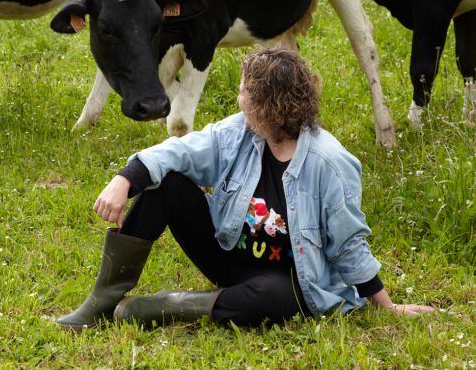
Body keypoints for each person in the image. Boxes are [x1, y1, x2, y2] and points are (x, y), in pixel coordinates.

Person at [56, 48, 433, 330]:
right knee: (165, 184)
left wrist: (386, 305)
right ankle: (101, 304)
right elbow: (181, 151)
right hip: (229, 256)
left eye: (243, 93)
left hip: (289, 279)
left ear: (267, 105)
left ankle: (167, 306)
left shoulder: (330, 163)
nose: (239, 99)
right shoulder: (241, 131)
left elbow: (349, 243)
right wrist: (126, 178)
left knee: (273, 300)